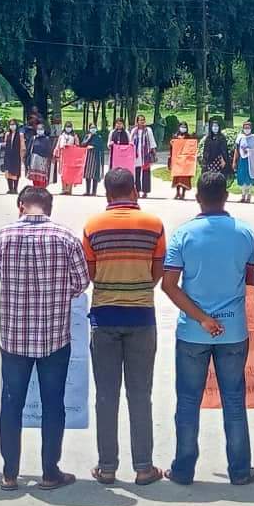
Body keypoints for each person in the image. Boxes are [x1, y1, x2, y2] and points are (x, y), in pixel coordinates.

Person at [162, 171, 254, 486]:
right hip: (233, 331)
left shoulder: (183, 235)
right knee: (234, 400)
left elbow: (169, 285)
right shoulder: (245, 233)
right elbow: (252, 281)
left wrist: (202, 317)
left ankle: (183, 469)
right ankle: (240, 470)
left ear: (197, 196)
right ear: (227, 195)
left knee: (188, 401)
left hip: (193, 330)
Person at [0, 185, 88, 490]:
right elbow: (82, 282)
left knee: (11, 403)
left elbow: (0, 274)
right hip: (54, 336)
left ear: (20, 205)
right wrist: (58, 296)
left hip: (13, 337)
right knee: (53, 404)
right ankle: (50, 472)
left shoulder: (3, 236)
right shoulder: (66, 237)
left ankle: (9, 473)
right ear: (49, 207)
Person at [81, 167, 166, 485]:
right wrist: (140, 285)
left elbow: (90, 273)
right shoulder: (154, 224)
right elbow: (158, 272)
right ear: (134, 190)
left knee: (106, 395)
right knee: (140, 394)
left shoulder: (92, 226)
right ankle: (143, 467)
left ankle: (107, 467)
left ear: (107, 193)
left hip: (104, 317)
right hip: (142, 316)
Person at [235, 120, 254, 202]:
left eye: (248, 128)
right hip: (242, 160)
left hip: (251, 161)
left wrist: (249, 151)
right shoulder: (240, 137)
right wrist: (235, 161)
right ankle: (243, 195)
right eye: (245, 128)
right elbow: (237, 149)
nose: (247, 129)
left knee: (249, 177)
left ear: (251, 128)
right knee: (242, 177)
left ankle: (249, 195)